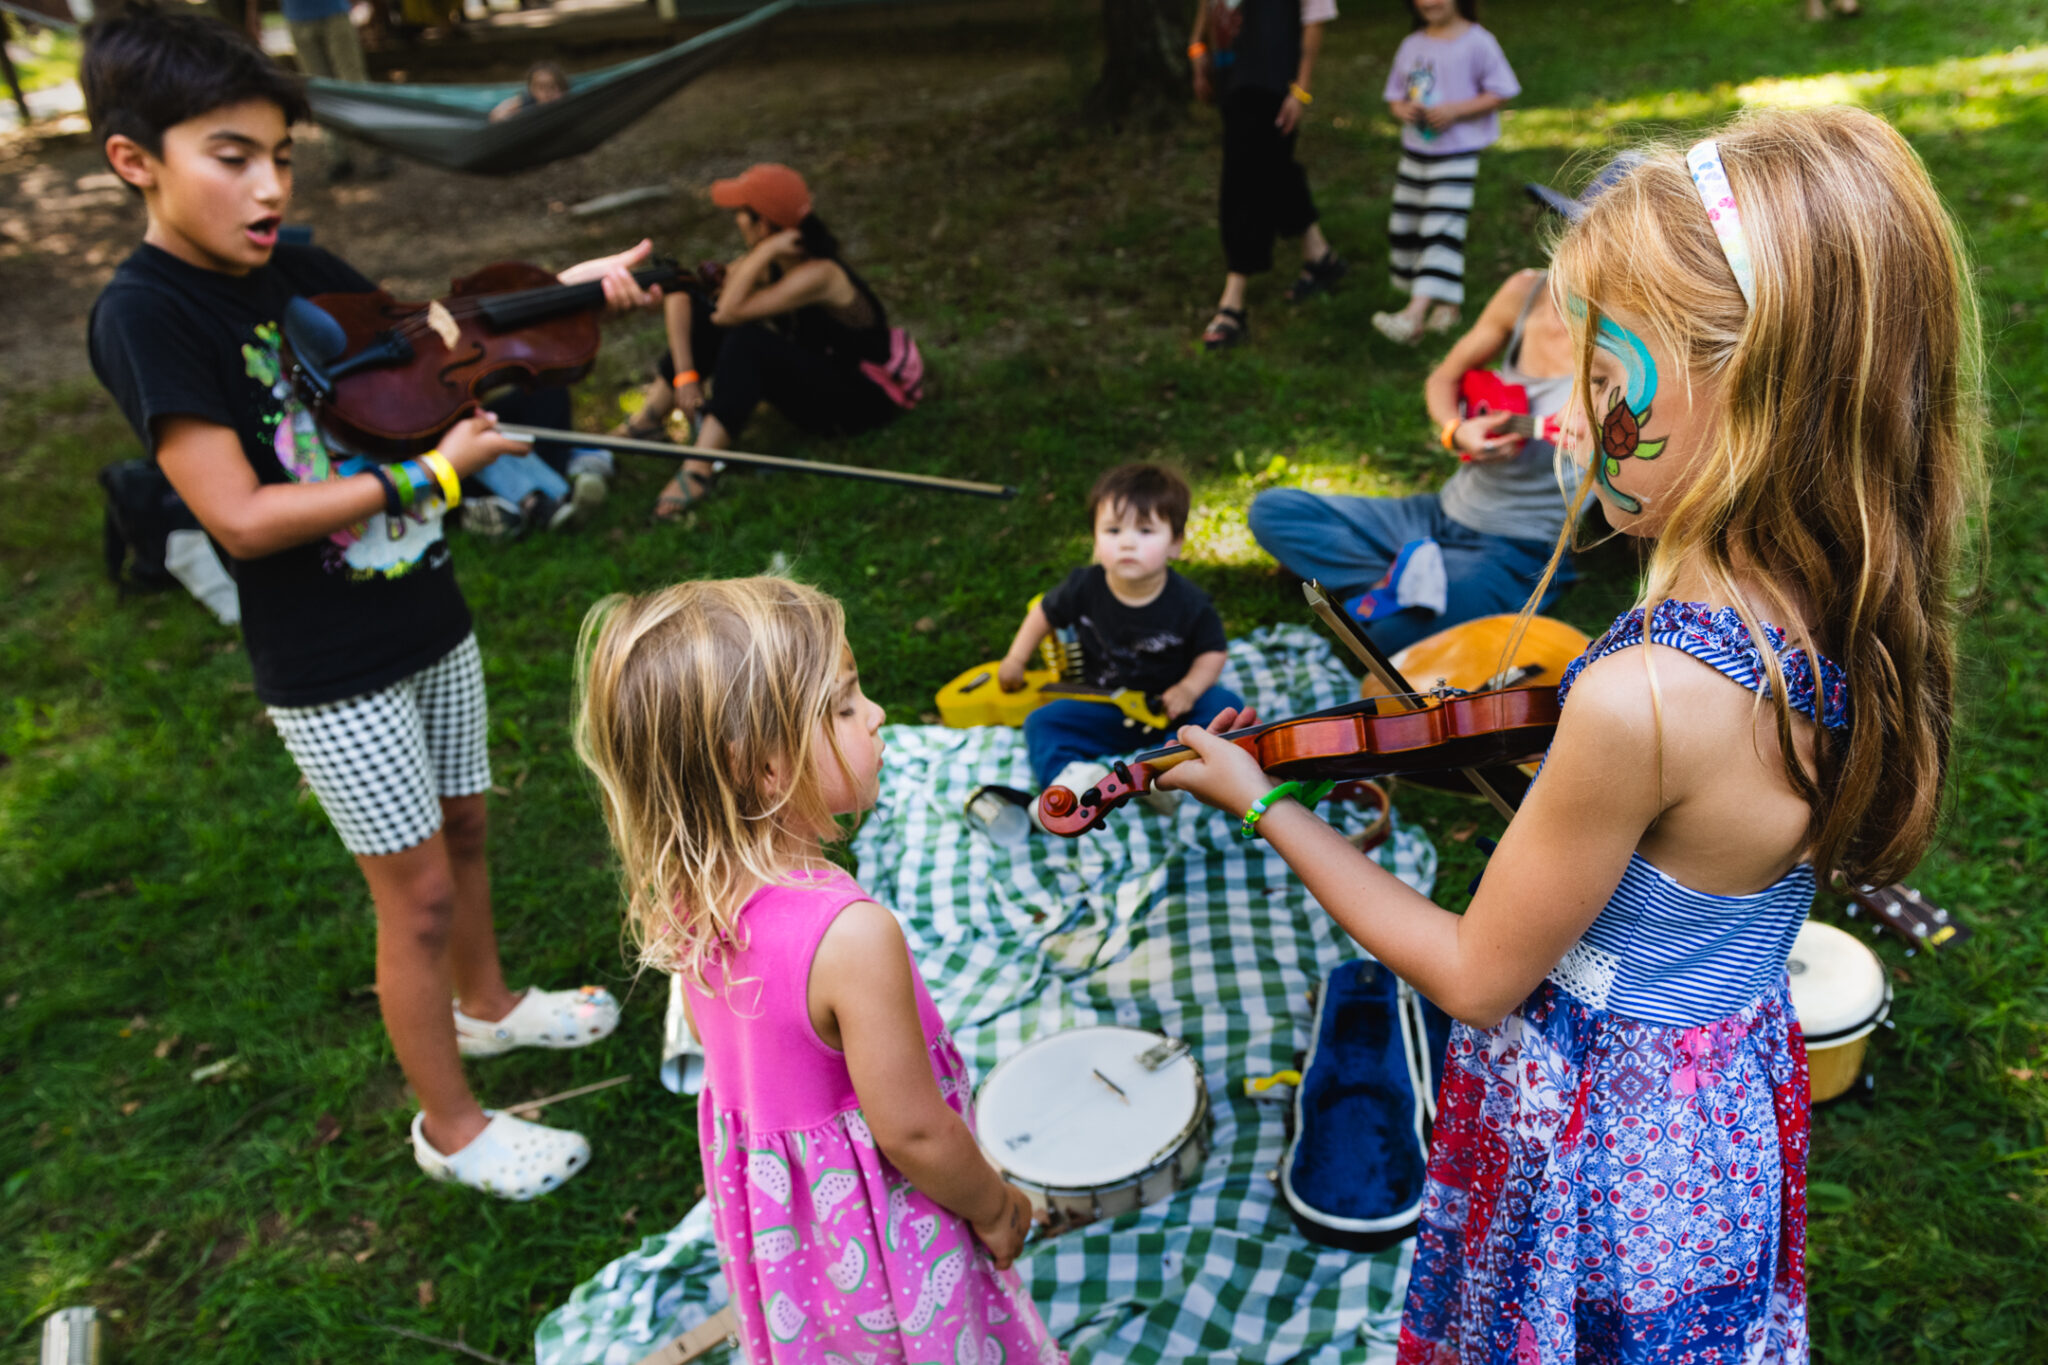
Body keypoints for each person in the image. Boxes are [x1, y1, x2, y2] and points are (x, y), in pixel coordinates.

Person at [1159, 106, 1983, 1362]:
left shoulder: (1643, 698)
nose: (1577, 416)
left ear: (1746, 390)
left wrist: (1262, 801)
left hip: (1594, 1140)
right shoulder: (1849, 600)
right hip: (1711, 1123)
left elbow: (1476, 975)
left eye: (1604, 381)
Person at [81, 4, 664, 1199]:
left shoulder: (292, 267)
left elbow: (429, 344)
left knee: (467, 830)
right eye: (231, 156)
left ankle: (490, 1007)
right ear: (135, 162)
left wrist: (567, 296)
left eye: (280, 155)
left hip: (422, 605)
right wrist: (428, 475)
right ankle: (449, 1130)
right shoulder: (146, 315)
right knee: (418, 897)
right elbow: (237, 515)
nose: (268, 185)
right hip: (327, 656)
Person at [571, 577, 1066, 1363]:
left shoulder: (691, 889)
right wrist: (996, 1205)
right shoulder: (851, 935)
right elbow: (912, 1129)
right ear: (762, 768)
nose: (876, 714)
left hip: (788, 1238)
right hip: (887, 1232)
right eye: (842, 705)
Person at [1245, 159, 1647, 654]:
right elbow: (1444, 377)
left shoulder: (1633, 344)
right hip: (1439, 513)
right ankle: (1410, 582)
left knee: (1381, 636)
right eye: (1577, 231)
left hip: (1515, 548)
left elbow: (1640, 472)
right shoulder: (1526, 290)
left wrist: (1599, 437)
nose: (1579, 250)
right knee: (1274, 511)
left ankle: (1402, 586)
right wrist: (1456, 431)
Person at [615, 163, 906, 520]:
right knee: (714, 319)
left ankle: (699, 468)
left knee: (747, 341)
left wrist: (763, 252)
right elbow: (686, 295)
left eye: (741, 213)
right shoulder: (774, 263)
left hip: (860, 404)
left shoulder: (819, 273)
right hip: (823, 380)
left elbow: (727, 312)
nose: (737, 220)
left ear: (764, 223)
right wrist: (687, 376)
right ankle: (648, 420)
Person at [997, 463, 1241, 795]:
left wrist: (1189, 688)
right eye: (1113, 531)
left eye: (1144, 531)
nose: (1127, 543)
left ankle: (1168, 769)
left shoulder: (1190, 602)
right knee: (1042, 722)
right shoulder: (1084, 586)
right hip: (1107, 705)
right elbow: (1044, 613)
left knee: (1226, 707)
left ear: (1175, 543)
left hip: (1170, 709)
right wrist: (1016, 658)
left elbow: (1212, 651)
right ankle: (1068, 784)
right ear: (1095, 541)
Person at [1188, 0, 1348, 351]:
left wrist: (1300, 93)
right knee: (1272, 169)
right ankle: (1320, 258)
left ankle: (1234, 300)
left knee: (1243, 179)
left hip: (1273, 83)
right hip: (1231, 75)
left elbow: (1314, 23)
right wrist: (1197, 46)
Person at [1372, 0, 1519, 344]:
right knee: (1407, 227)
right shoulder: (1412, 45)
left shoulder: (1478, 42)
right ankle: (1447, 306)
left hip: (1457, 155)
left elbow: (1502, 90)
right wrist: (1402, 110)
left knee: (1441, 228)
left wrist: (1456, 110)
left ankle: (1414, 315)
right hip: (1416, 153)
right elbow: (1395, 95)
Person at [282, 0, 387, 181]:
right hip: (296, 17)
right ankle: (338, 157)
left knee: (354, 84)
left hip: (334, 12)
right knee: (319, 91)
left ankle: (377, 149)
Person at [489, 60, 568, 123]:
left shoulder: (569, 104)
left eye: (552, 87)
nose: (547, 92)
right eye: (541, 87)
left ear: (562, 89)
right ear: (532, 90)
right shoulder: (527, 102)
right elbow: (496, 115)